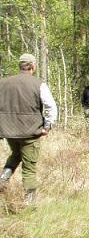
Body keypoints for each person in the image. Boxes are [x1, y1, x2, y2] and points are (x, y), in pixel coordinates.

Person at [0, 53, 57, 205]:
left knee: (16, 154)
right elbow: (51, 106)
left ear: (20, 66)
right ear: (32, 66)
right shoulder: (38, 84)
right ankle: (29, 202)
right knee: (29, 166)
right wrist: (47, 126)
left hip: (9, 131)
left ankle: (3, 179)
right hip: (30, 132)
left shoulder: (3, 83)